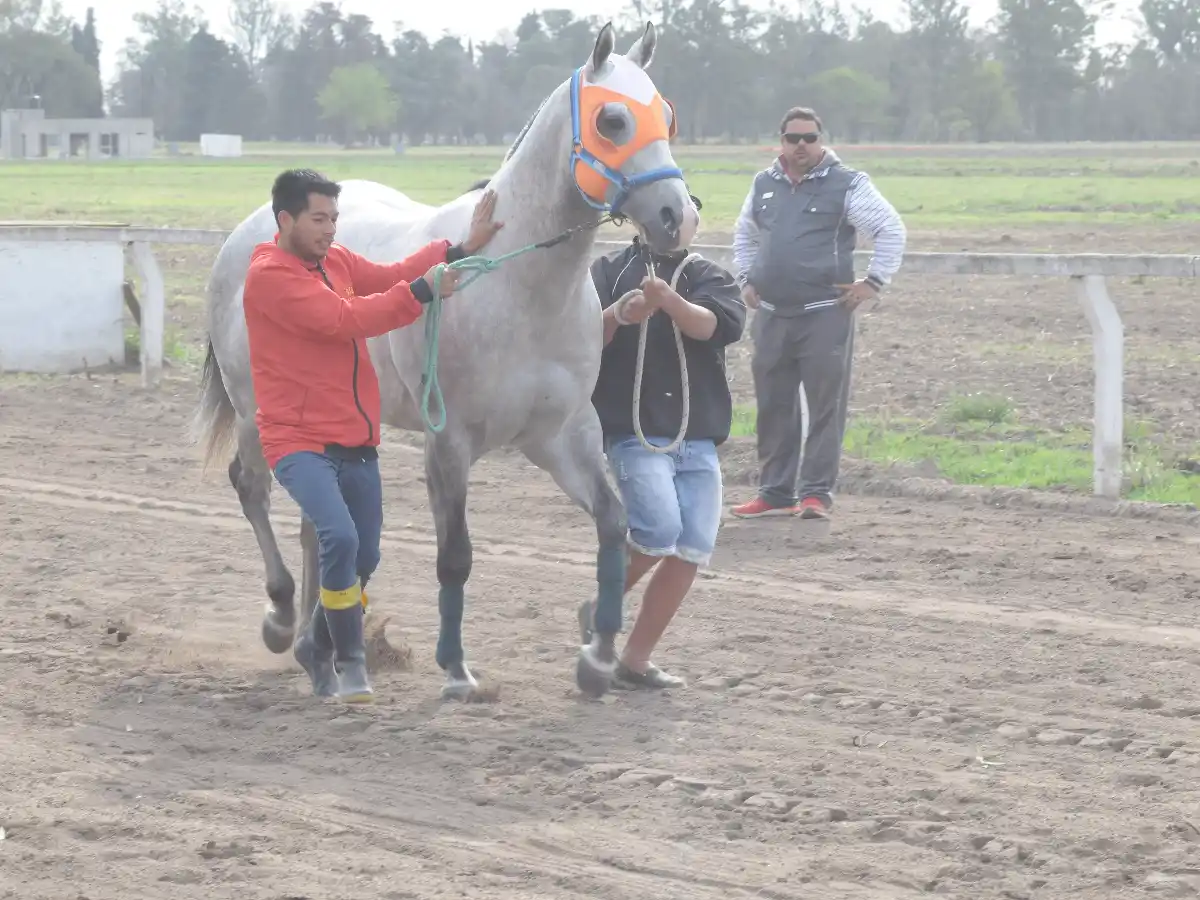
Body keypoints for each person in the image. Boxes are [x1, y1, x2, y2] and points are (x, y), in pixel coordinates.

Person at [242, 168, 503, 703]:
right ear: (285, 219)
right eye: (319, 219)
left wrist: (455, 250)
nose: (330, 230)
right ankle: (352, 661)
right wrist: (423, 293)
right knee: (338, 537)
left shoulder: (334, 262)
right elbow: (345, 319)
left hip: (355, 439)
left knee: (364, 558)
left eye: (334, 219)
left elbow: (389, 274)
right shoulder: (270, 276)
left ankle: (316, 642)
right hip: (298, 441)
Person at [579, 199, 746, 689]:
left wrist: (668, 302)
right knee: (658, 531)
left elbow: (715, 326)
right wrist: (619, 312)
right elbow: (582, 337)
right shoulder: (606, 271)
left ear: (697, 221)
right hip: (633, 430)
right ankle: (604, 607)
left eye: (684, 213)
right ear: (640, 220)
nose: (673, 223)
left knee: (692, 547)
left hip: (697, 434)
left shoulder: (711, 275)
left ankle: (634, 658)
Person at [730, 106, 906, 521]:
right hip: (772, 314)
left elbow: (890, 229)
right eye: (793, 138)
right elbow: (745, 233)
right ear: (782, 142)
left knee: (825, 406)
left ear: (821, 139)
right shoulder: (764, 184)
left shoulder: (847, 185)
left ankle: (815, 494)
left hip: (824, 314)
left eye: (809, 137)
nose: (801, 145)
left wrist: (873, 282)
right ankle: (774, 493)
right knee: (774, 405)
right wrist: (745, 278)